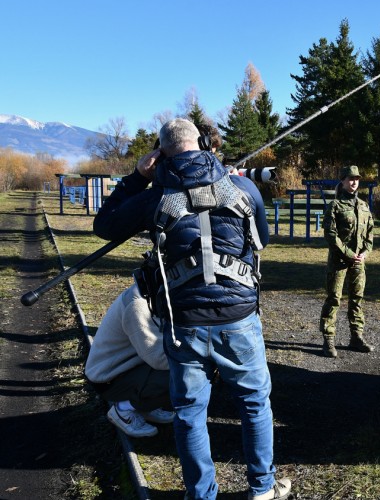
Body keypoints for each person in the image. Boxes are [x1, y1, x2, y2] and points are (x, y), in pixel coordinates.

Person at [93, 118, 290, 500]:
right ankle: (263, 489)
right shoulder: (243, 187)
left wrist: (136, 178)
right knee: (254, 404)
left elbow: (105, 225)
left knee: (189, 411)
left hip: (184, 323)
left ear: (160, 153)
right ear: (202, 143)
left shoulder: (154, 198)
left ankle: (201, 495)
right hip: (240, 317)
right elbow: (262, 240)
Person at [85, 282, 173, 438]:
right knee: (185, 372)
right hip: (108, 379)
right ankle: (124, 409)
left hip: (131, 365)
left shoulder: (155, 290)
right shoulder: (138, 303)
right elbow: (158, 359)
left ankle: (145, 406)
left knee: (186, 367)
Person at [319, 165, 375, 358]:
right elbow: (331, 234)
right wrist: (348, 253)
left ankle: (356, 337)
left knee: (357, 299)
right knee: (334, 299)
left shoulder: (363, 206)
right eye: (350, 179)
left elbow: (370, 233)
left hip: (359, 262)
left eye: (357, 179)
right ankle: (328, 340)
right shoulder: (335, 206)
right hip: (339, 262)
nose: (354, 182)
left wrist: (365, 252)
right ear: (342, 181)